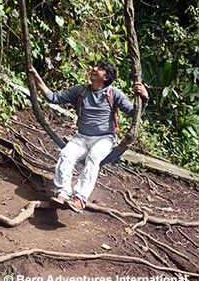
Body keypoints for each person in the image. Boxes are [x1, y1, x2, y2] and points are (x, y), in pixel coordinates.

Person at [30, 59, 149, 213]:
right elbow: (54, 98)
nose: (93, 69)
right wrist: (37, 78)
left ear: (106, 77)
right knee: (66, 154)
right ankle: (62, 194)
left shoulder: (114, 94)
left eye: (99, 68)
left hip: (105, 138)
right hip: (81, 137)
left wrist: (144, 99)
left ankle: (79, 198)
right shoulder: (80, 91)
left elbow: (134, 113)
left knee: (93, 157)